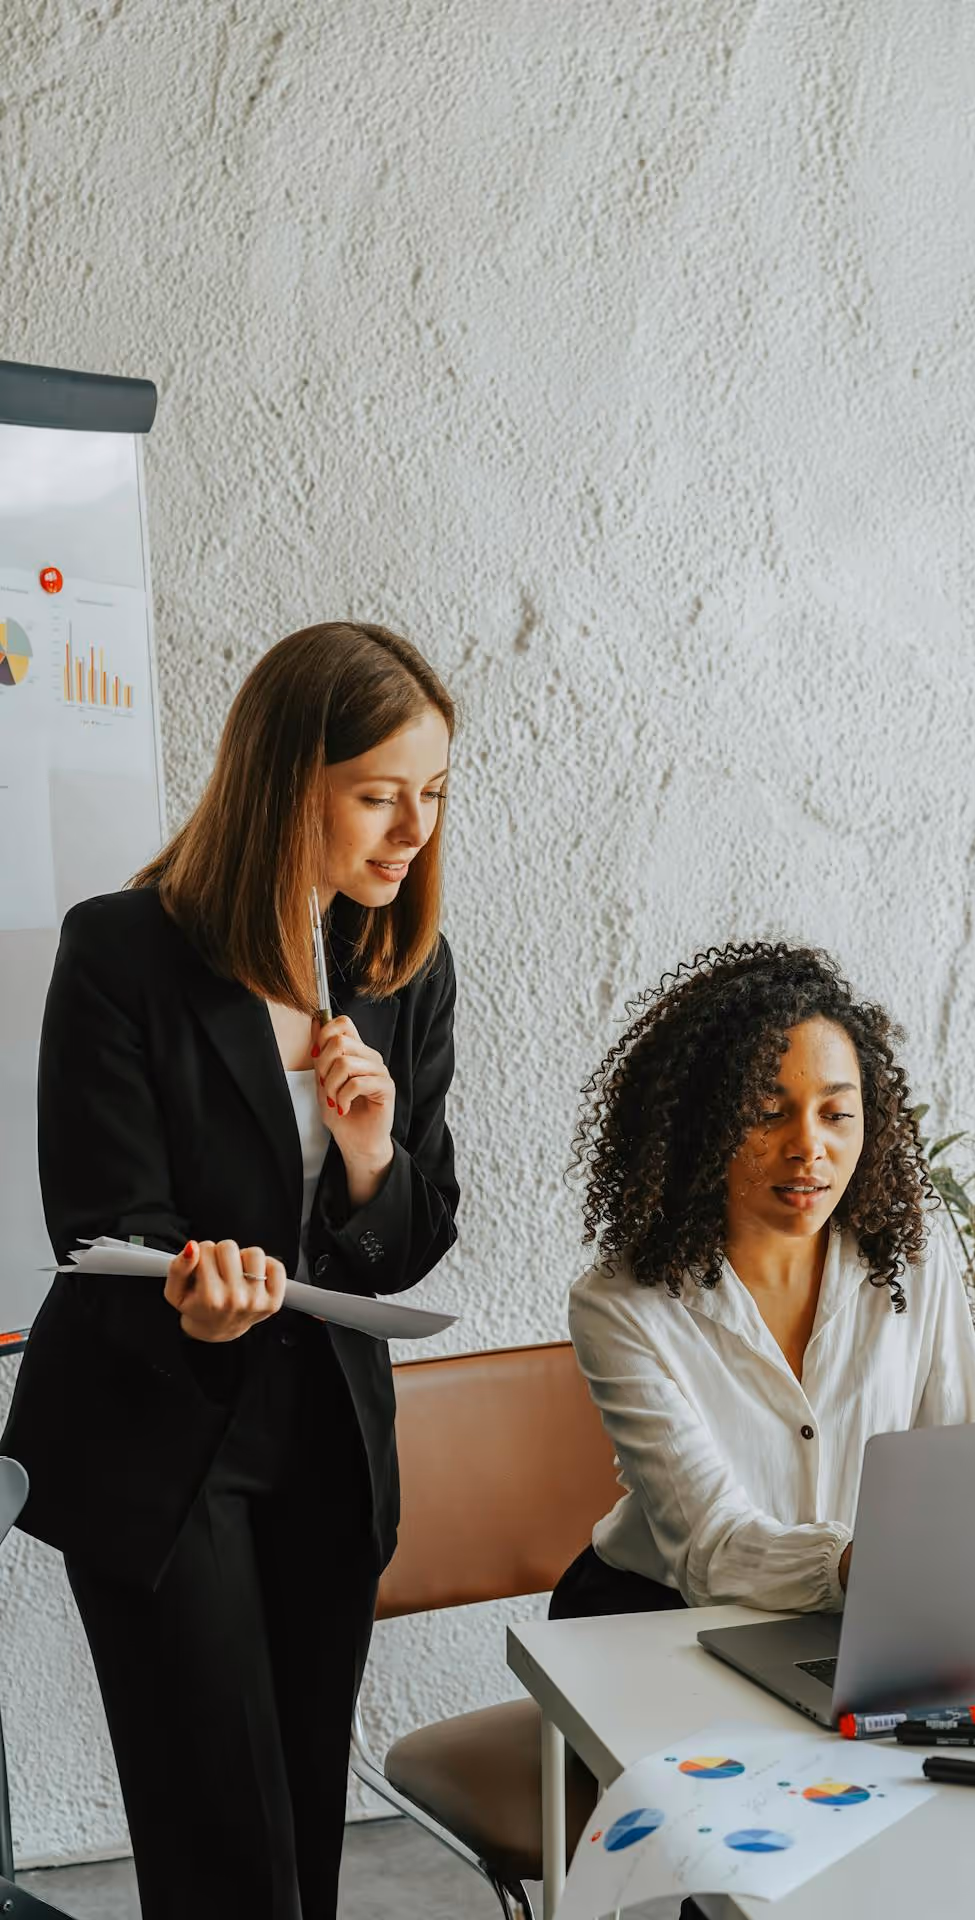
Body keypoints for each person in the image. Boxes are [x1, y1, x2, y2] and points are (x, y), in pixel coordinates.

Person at [2, 621, 459, 1920]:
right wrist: (196, 1309)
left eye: (431, 794)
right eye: (378, 794)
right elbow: (101, 1221)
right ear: (282, 783)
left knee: (305, 1831)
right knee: (221, 1852)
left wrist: (369, 1159)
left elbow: (415, 1233)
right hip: (160, 1442)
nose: (411, 830)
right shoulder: (122, 954)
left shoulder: (396, 970)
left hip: (325, 1447)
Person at [552, 940, 975, 1621]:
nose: (808, 1147)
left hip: (861, 1609)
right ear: (702, 1126)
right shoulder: (621, 1306)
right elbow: (712, 1549)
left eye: (836, 1113)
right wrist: (869, 1566)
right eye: (767, 1112)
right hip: (657, 1618)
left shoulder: (911, 1259)